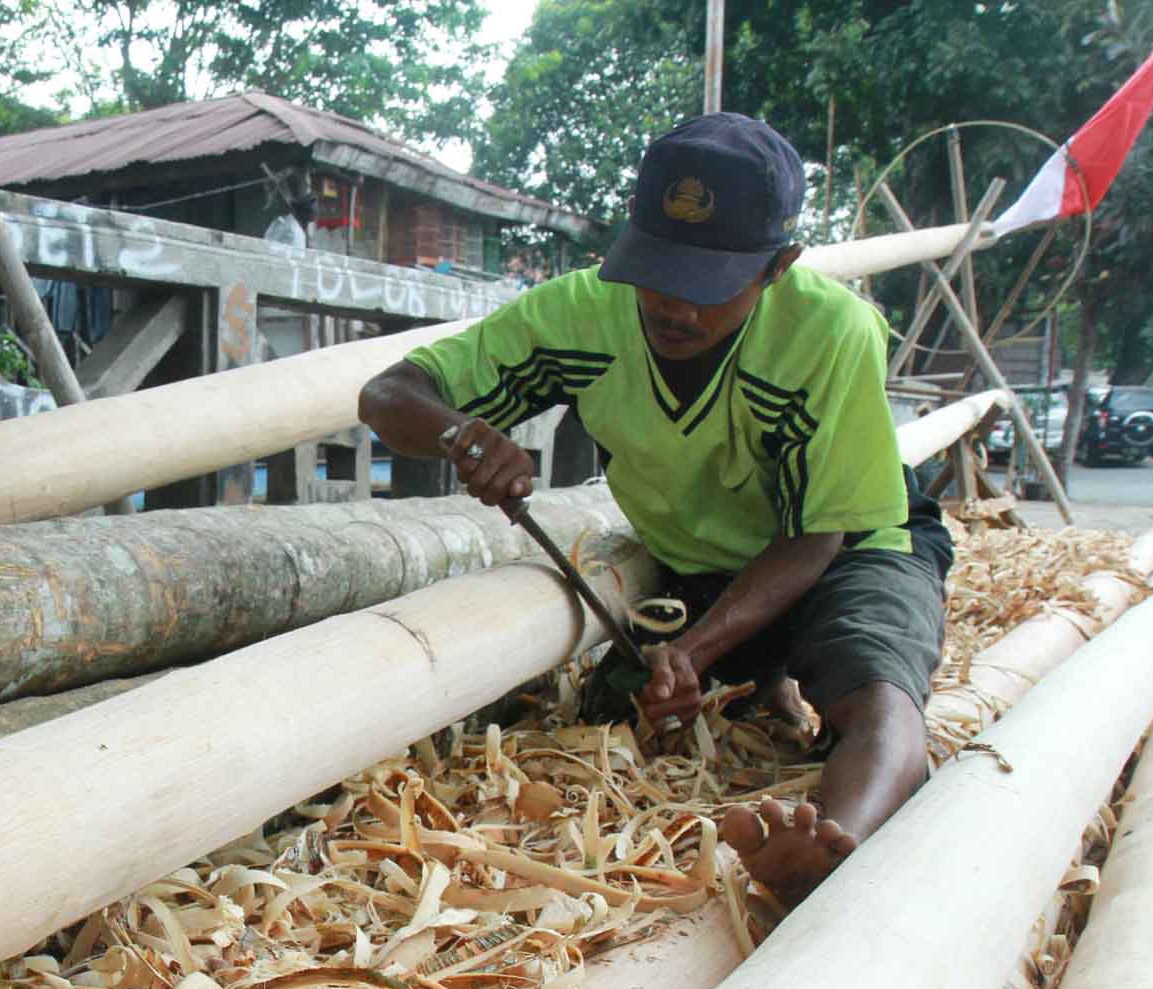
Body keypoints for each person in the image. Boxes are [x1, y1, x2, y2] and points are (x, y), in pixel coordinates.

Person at [357, 112, 952, 905]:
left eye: (705, 287)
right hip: (702, 564)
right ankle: (767, 674)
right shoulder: (582, 312)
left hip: (850, 543)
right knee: (614, 709)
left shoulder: (832, 332)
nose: (673, 307)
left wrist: (697, 651)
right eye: (656, 270)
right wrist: (461, 436)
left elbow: (815, 538)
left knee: (873, 681)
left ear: (779, 266)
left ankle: (830, 847)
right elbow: (388, 395)